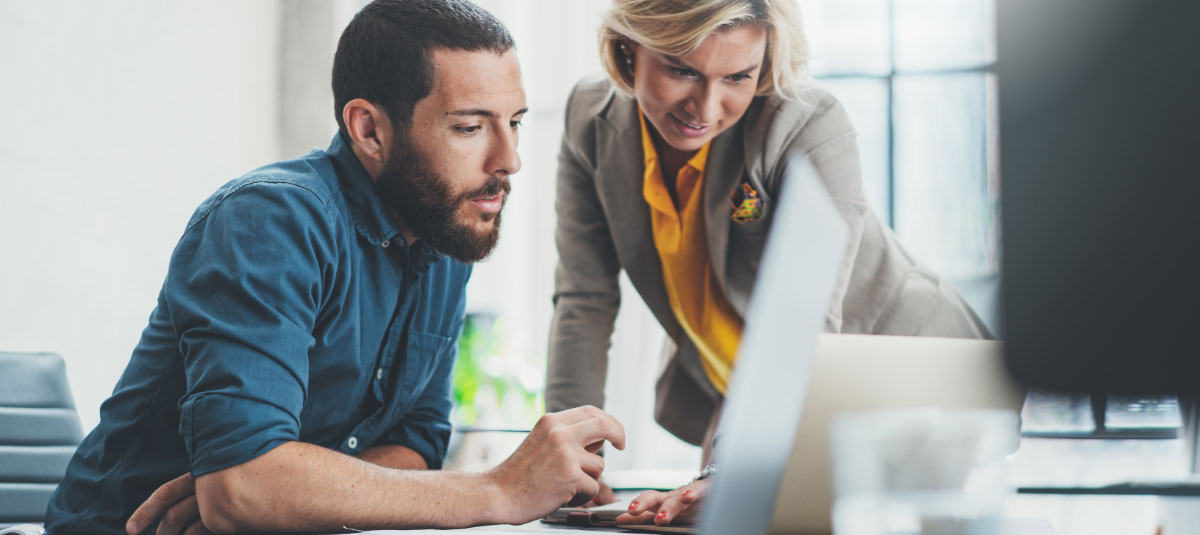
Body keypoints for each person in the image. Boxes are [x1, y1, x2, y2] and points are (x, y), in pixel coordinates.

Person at [44, 1, 625, 534]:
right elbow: (242, 488)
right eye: (470, 127)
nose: (510, 160)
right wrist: (498, 490)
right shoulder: (269, 220)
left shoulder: (444, 234)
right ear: (368, 129)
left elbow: (414, 443)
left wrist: (286, 491)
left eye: (515, 122)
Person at [544, 0, 989, 526]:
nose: (705, 108)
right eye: (681, 69)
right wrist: (568, 463)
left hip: (905, 378)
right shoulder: (589, 119)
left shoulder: (806, 123)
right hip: (745, 393)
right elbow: (584, 301)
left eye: (737, 77)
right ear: (627, 49)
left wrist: (729, 467)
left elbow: (801, 324)